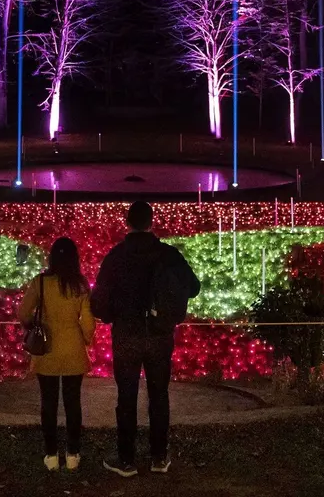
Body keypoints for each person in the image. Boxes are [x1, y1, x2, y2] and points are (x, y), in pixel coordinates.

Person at [91, 201, 200, 477]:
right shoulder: (168, 255)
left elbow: (100, 303)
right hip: (160, 335)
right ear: (152, 222)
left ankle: (126, 460)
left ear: (127, 222)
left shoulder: (116, 257)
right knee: (159, 396)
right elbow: (194, 287)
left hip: (127, 335)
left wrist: (114, 312)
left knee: (126, 396)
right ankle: (159, 457)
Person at [18, 236, 96, 472]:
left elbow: (22, 312)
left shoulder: (40, 283)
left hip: (47, 351)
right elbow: (89, 322)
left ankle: (51, 455)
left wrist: (33, 325)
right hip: (72, 349)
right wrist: (85, 339)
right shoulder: (80, 285)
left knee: (48, 404)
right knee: (73, 404)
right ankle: (72, 455)